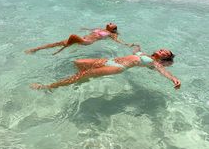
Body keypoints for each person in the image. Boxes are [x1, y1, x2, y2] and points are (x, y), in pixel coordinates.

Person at [30, 45, 181, 91]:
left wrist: (173, 79)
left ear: (163, 58)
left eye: (164, 52)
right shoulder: (145, 54)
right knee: (78, 62)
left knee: (83, 74)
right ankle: (80, 81)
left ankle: (49, 86)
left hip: (117, 67)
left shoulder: (154, 63)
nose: (161, 50)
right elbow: (136, 52)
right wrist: (136, 47)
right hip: (109, 60)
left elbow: (163, 71)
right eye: (162, 49)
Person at [25, 23, 133, 55]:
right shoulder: (100, 28)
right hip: (83, 38)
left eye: (112, 24)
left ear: (113, 29)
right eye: (110, 23)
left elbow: (117, 40)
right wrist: (85, 28)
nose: (110, 23)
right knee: (56, 43)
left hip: (87, 42)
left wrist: (126, 45)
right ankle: (35, 49)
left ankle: (61, 50)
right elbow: (91, 29)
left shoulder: (111, 34)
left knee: (72, 36)